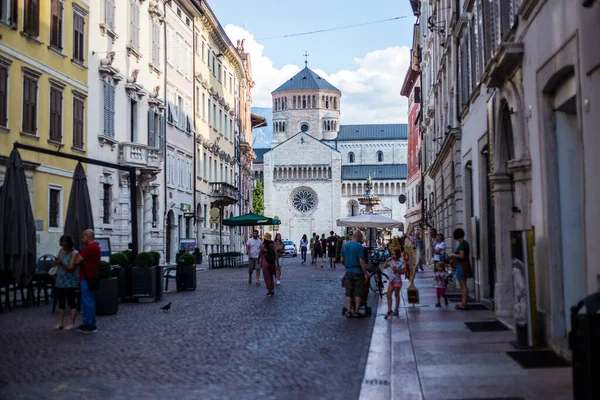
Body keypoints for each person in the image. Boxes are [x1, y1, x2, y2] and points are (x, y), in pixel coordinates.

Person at [73, 229, 101, 333]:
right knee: (88, 301)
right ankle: (88, 323)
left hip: (87, 278)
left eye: (82, 237)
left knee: (87, 301)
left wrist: (80, 258)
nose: (82, 239)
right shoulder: (95, 246)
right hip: (91, 277)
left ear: (87, 236)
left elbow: (77, 260)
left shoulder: (90, 247)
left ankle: (89, 324)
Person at [340, 231, 369, 318]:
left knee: (348, 292)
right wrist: (365, 273)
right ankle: (356, 311)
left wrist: (347, 266)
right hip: (358, 271)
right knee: (358, 291)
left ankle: (348, 311)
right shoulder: (360, 247)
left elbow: (341, 259)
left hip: (348, 271)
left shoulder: (345, 246)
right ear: (359, 237)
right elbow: (361, 260)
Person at [53, 235, 79, 330]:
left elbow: (71, 268)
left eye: (65, 245)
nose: (64, 246)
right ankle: (60, 323)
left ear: (69, 244)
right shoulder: (60, 251)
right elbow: (56, 263)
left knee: (72, 302)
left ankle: (71, 323)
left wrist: (61, 263)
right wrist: (55, 262)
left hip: (70, 282)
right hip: (60, 281)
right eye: (62, 244)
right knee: (61, 303)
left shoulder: (74, 253)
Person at [448, 228, 472, 310]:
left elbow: (461, 256)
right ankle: (463, 302)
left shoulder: (462, 244)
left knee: (463, 286)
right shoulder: (464, 243)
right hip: (463, 266)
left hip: (461, 266)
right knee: (463, 285)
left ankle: (464, 304)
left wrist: (453, 255)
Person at [383, 248, 405, 319]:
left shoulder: (401, 263)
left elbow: (403, 272)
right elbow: (384, 266)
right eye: (392, 254)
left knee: (396, 295)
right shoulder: (391, 261)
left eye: (394, 254)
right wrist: (387, 260)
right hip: (391, 281)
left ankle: (396, 309)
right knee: (388, 295)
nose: (393, 256)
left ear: (398, 255)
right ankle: (389, 310)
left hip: (397, 281)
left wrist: (397, 270)